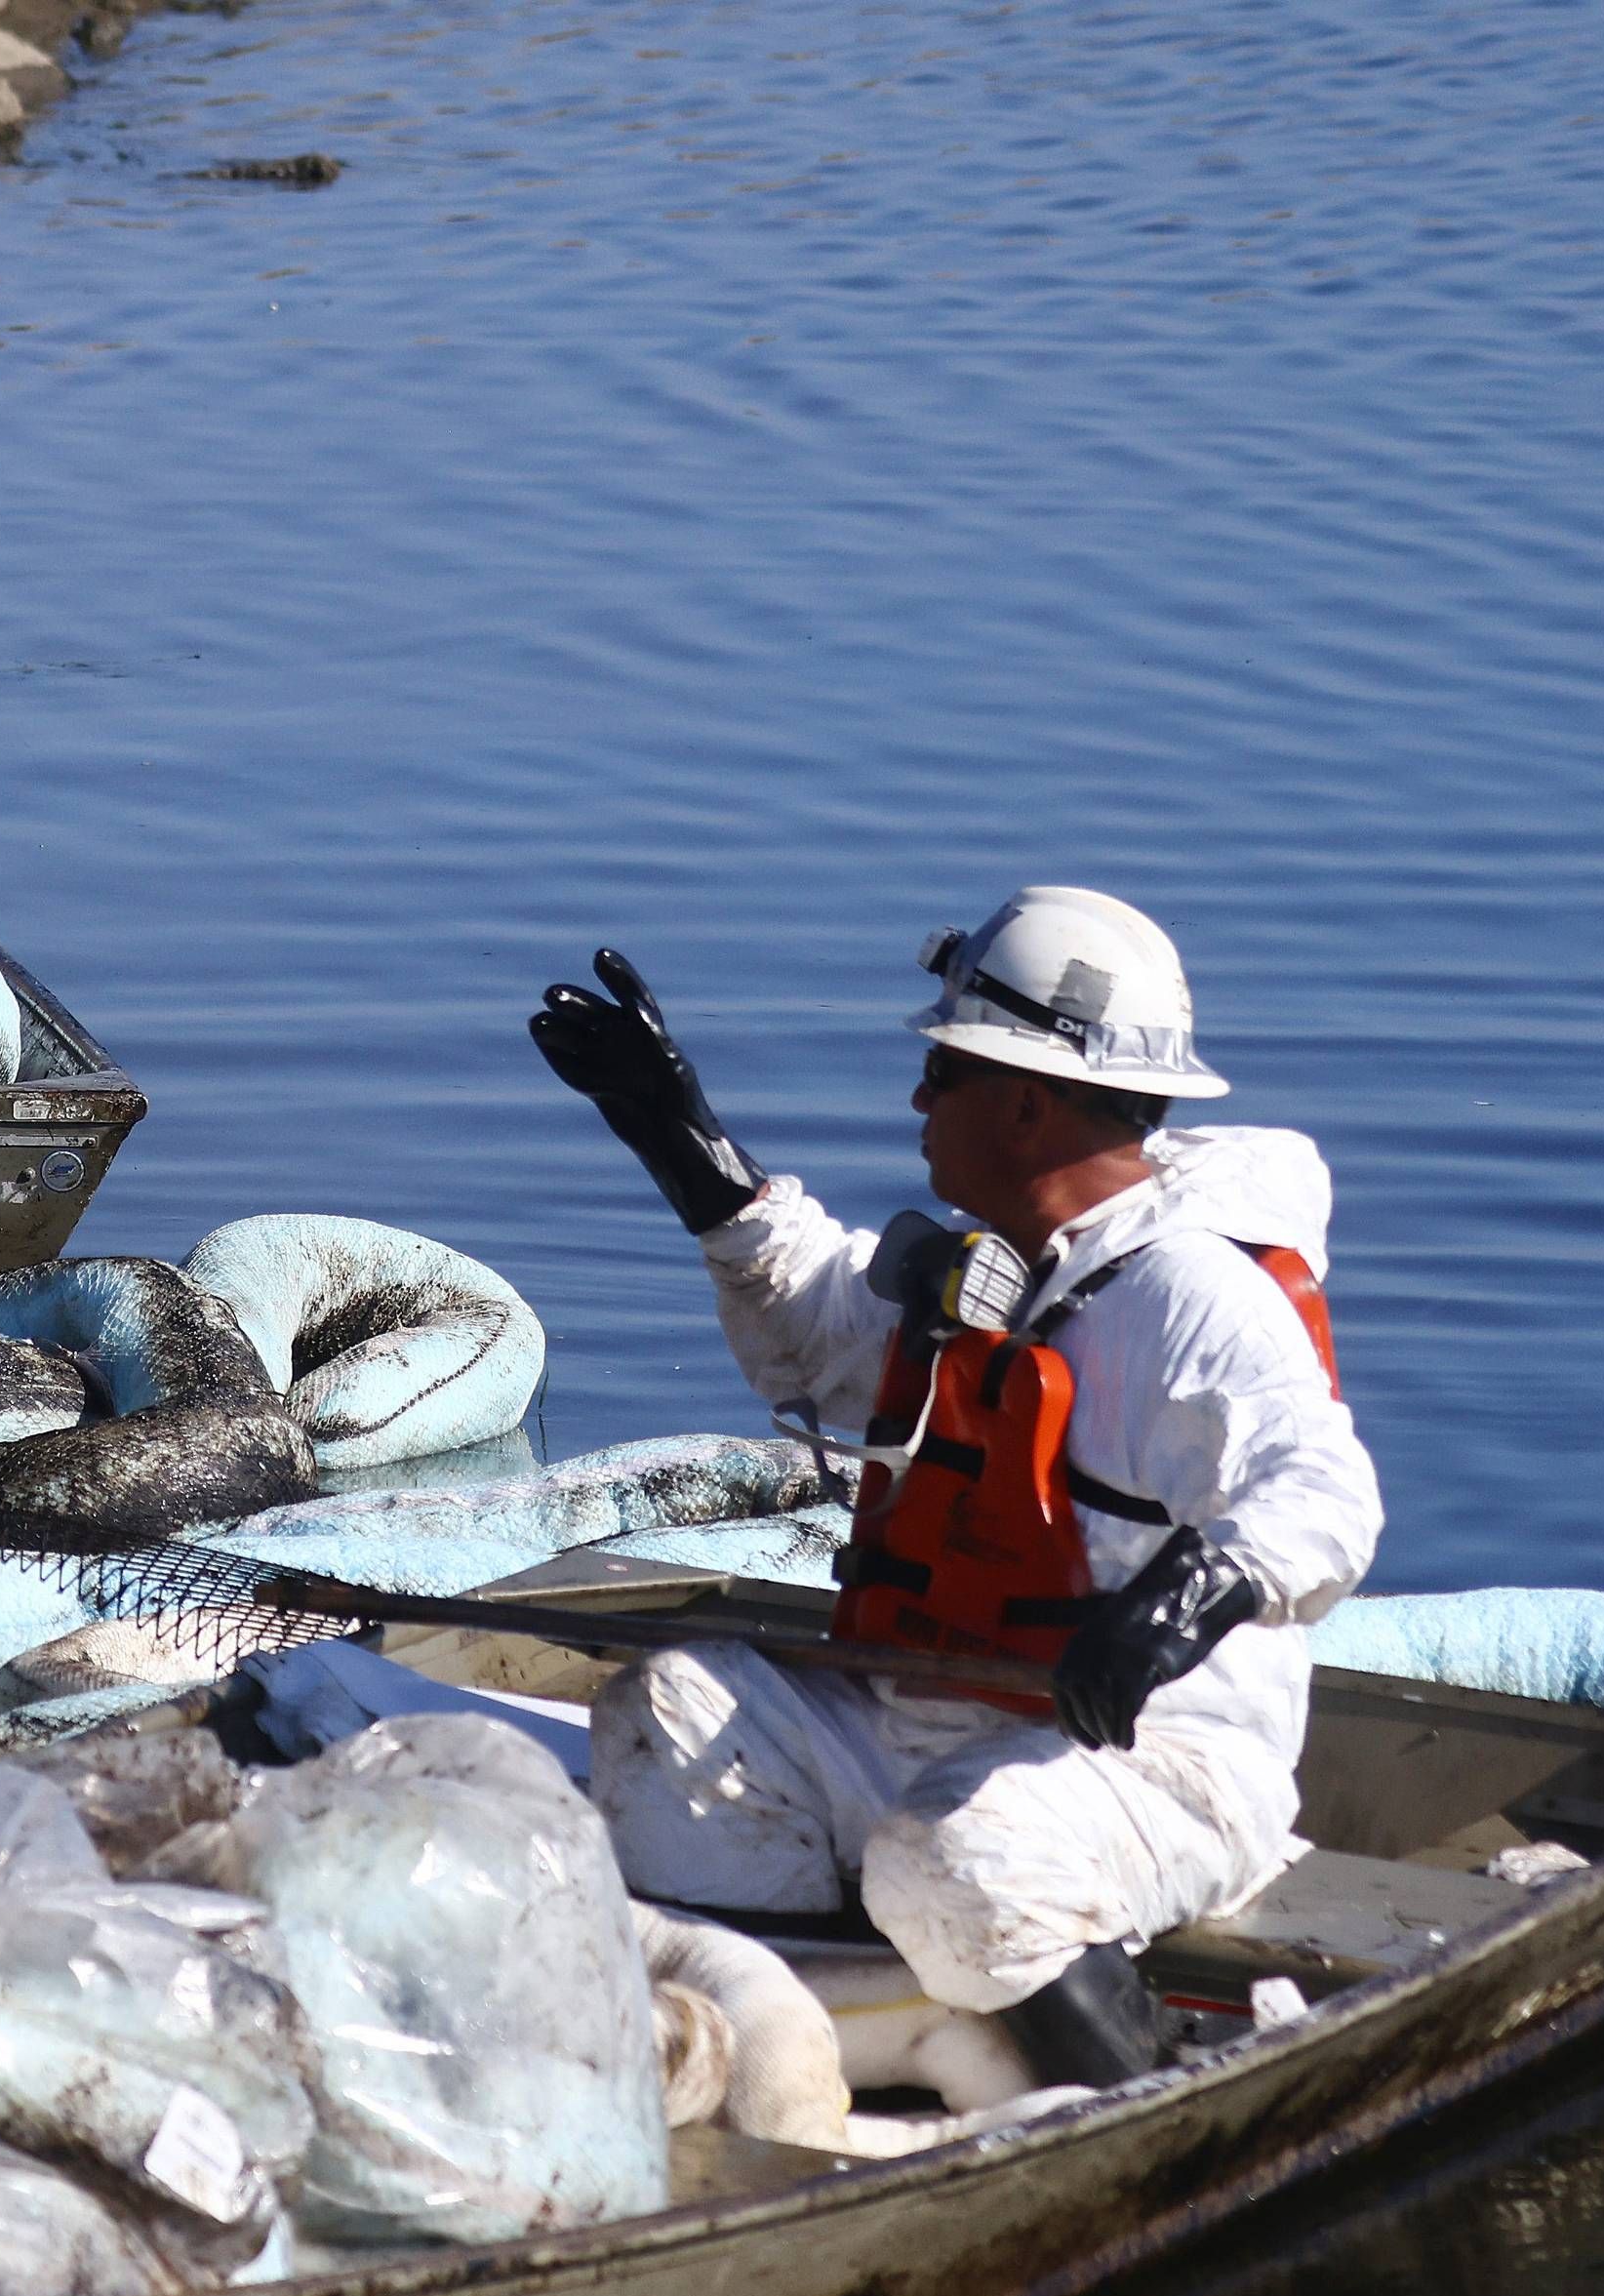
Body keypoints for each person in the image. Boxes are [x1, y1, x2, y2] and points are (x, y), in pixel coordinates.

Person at [530, 889, 1380, 2086]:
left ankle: (1153, 2092)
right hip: (932, 1712)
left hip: (1151, 1765)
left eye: (943, 1070)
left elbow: (1323, 1490)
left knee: (955, 1858)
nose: (918, 1100)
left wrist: (1184, 1597)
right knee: (662, 1719)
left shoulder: (1188, 1296)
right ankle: (816, 2052)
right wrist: (678, 1136)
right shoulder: (1000, 1263)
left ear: (1025, 1103)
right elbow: (817, 1334)